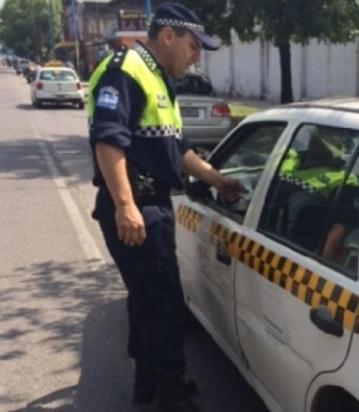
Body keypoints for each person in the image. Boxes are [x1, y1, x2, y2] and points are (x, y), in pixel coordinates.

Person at [87, 3, 241, 411]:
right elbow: (108, 140)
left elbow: (178, 148)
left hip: (149, 206)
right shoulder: (126, 70)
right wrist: (125, 205)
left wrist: (217, 180)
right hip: (137, 210)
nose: (196, 57)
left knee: (147, 301)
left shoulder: (157, 76)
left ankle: (148, 385)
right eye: (194, 46)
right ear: (169, 36)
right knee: (165, 305)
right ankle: (170, 395)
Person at [277, 129, 359, 261]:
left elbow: (342, 225)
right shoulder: (289, 157)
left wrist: (320, 262)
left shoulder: (343, 179)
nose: (318, 139)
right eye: (320, 132)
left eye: (331, 135)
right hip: (269, 231)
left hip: (298, 250)